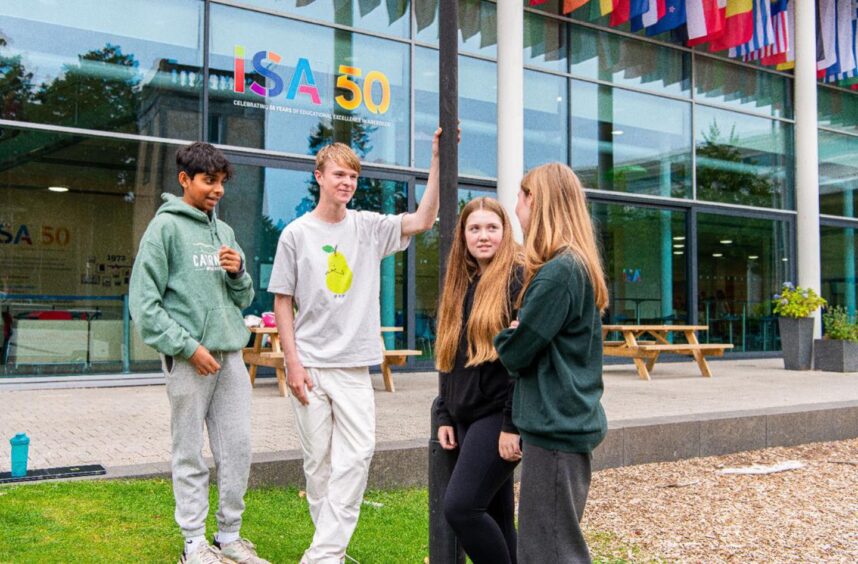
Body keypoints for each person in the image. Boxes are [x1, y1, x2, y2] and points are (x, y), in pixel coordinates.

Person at [268, 129, 448, 564]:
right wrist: (292, 363)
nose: (346, 182)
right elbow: (282, 302)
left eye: (352, 176)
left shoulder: (368, 227)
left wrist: (439, 159)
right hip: (309, 364)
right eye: (338, 174)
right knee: (317, 466)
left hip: (353, 368)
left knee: (358, 455)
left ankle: (322, 555)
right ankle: (330, 552)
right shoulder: (295, 234)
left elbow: (423, 220)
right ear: (319, 177)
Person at [129, 142, 269, 564]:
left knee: (237, 448)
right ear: (185, 179)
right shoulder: (164, 230)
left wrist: (239, 271)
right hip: (189, 360)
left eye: (222, 182)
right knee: (189, 451)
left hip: (229, 359)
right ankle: (193, 543)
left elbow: (243, 298)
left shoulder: (224, 233)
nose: (218, 190)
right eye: (210, 181)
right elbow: (144, 306)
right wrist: (189, 348)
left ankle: (229, 537)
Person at [494, 162, 609, 564]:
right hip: (561, 425)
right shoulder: (570, 266)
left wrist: (508, 333)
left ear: (537, 203)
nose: (516, 210)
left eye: (521, 199)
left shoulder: (559, 272)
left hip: (556, 428)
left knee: (551, 551)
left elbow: (515, 351)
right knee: (548, 545)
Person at [434, 197, 523, 564]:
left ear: (505, 231)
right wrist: (443, 413)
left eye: (492, 228)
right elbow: (449, 354)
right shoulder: (462, 281)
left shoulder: (517, 279)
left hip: (497, 416)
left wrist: (510, 424)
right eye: (475, 228)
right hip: (464, 418)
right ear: (464, 235)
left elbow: (522, 360)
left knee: (462, 509)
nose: (483, 236)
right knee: (498, 516)